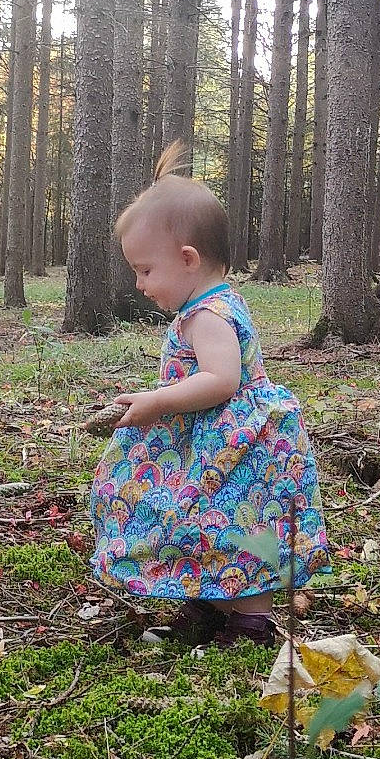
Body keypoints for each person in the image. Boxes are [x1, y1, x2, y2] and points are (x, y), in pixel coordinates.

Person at [89, 145, 331, 645]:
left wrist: (158, 401)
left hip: (234, 441)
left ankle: (249, 621)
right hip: (214, 439)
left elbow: (222, 379)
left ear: (187, 259)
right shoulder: (216, 302)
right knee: (200, 514)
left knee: (239, 518)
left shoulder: (207, 314)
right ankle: (207, 600)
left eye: (145, 270)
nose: (138, 283)